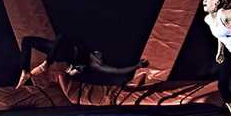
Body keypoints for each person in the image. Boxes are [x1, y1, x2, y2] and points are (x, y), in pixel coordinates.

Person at [14, 35, 148, 88]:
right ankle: (24, 71)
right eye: (97, 53)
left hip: (62, 52)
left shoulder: (95, 64)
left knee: (62, 39)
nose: (97, 55)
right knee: (27, 40)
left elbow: (117, 70)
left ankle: (46, 64)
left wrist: (136, 66)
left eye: (99, 56)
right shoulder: (91, 50)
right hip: (58, 48)